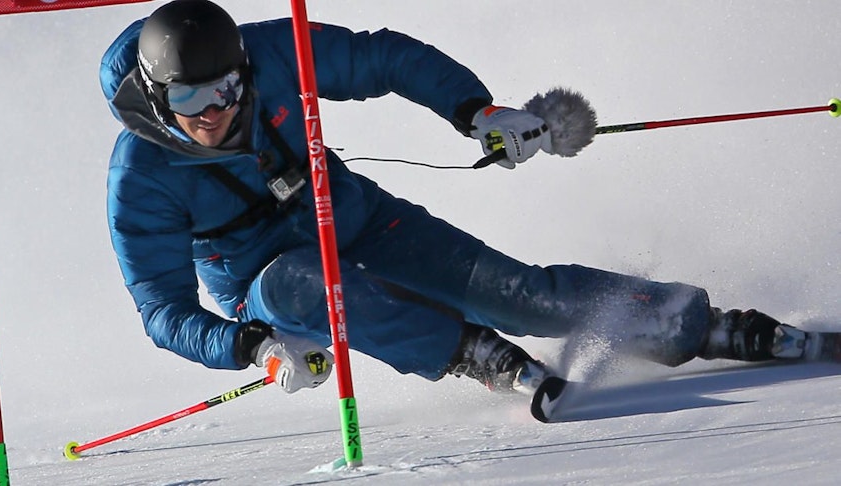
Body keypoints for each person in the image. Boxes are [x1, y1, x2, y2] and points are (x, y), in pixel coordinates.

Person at [99, 0, 807, 396]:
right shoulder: (139, 178)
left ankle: (693, 321)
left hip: (354, 219)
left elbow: (381, 56)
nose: (215, 108)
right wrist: (250, 348)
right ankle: (473, 353)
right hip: (273, 301)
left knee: (521, 295)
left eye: (227, 87)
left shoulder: (272, 52)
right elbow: (162, 308)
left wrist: (476, 112)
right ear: (159, 97)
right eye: (192, 97)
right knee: (295, 284)